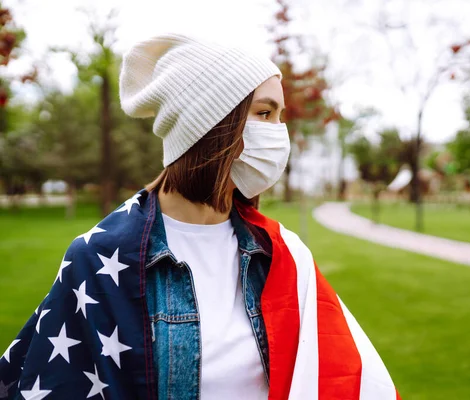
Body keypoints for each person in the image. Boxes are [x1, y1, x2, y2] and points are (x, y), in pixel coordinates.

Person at [0, 34, 399, 400]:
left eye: (280, 116)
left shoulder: (280, 254)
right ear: (210, 126)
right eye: (263, 113)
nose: (278, 131)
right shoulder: (99, 257)